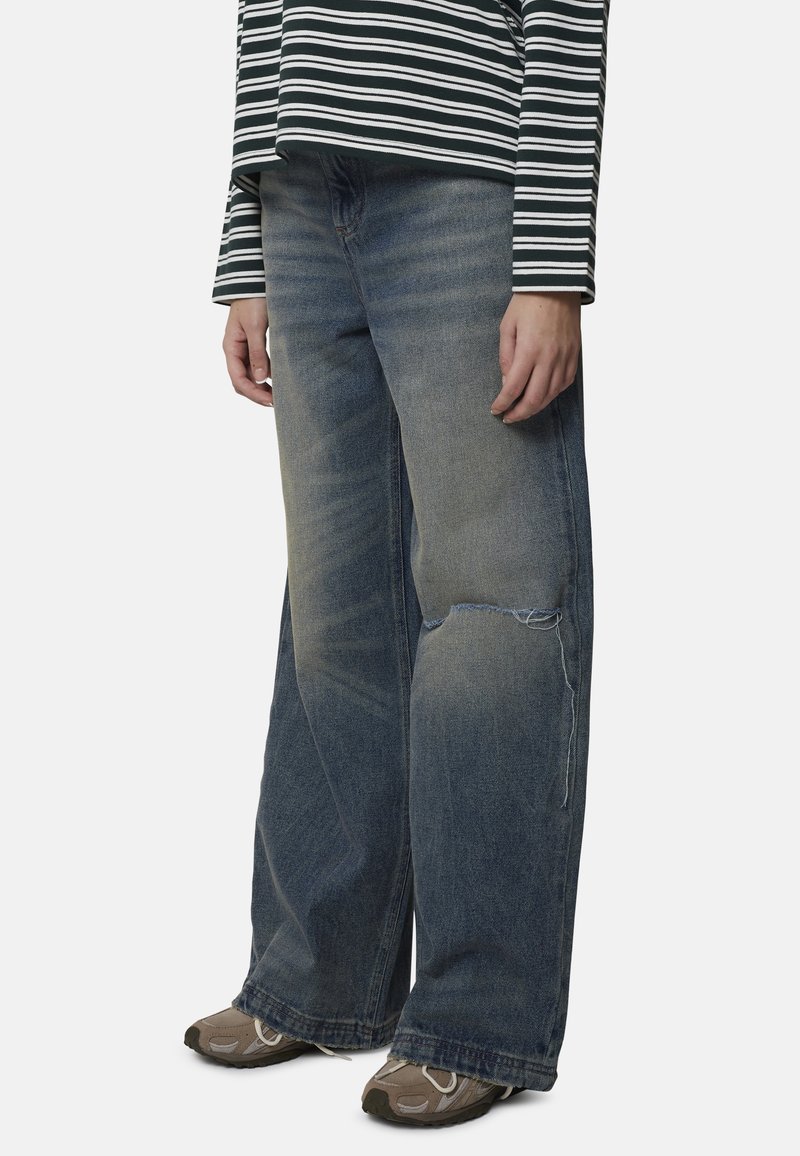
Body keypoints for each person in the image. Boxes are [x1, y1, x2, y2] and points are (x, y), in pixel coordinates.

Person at [185, 0, 610, 1127]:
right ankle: (317, 978)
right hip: (298, 192)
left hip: (459, 179)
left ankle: (475, 1022)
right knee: (335, 609)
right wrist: (246, 245)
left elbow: (567, 13)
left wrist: (550, 263)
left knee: (492, 608)